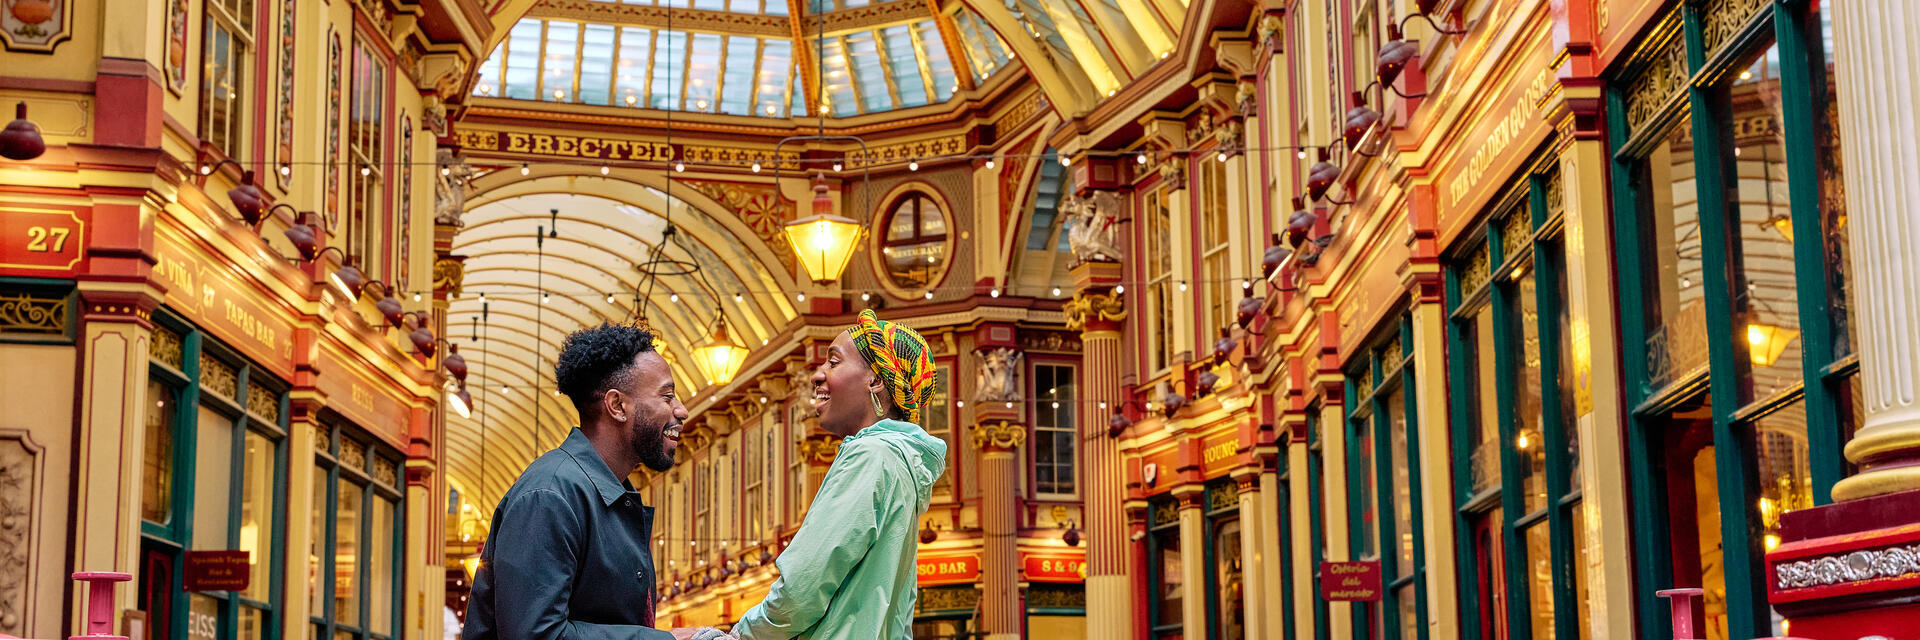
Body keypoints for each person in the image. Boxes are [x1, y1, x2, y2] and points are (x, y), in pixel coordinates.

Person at [463, 323, 722, 640]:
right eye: (667, 396)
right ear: (617, 406)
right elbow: (535, 635)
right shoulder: (550, 495)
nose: (681, 410)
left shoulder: (609, 495)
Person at [732, 310, 949, 640]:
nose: (818, 375)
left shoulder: (871, 456)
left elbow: (800, 593)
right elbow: (901, 610)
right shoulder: (900, 462)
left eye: (833, 362)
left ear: (875, 380)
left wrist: (739, 636)